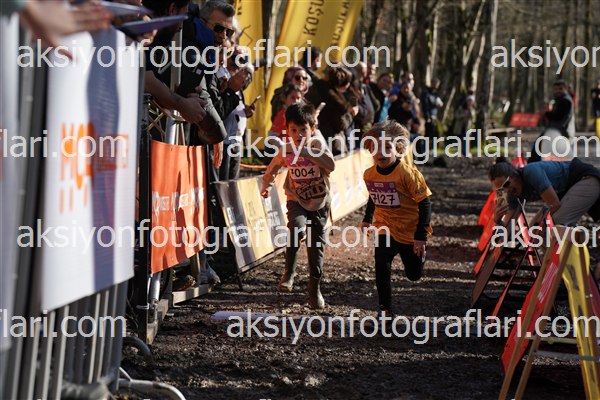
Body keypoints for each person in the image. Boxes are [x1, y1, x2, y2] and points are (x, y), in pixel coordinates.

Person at [260, 103, 335, 309]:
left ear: (312, 129)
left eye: (303, 130)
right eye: (293, 130)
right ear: (287, 130)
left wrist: (309, 153)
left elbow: (331, 166)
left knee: (316, 247)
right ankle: (289, 273)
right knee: (296, 228)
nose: (299, 135)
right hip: (296, 198)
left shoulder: (317, 145)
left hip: (319, 201)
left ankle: (314, 289)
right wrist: (266, 185)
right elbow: (273, 167)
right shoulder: (287, 149)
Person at [360, 120, 433, 316]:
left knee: (414, 275)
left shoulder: (408, 174)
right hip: (384, 226)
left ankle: (420, 257)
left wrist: (421, 236)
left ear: (398, 148)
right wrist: (367, 218)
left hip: (409, 229)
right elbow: (373, 196)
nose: (381, 153)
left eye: (387, 147)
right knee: (381, 266)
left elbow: (425, 204)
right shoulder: (369, 174)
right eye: (375, 147)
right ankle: (385, 310)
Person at [489, 159, 600, 227]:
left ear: (515, 175)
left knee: (556, 224)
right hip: (567, 190)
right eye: (501, 189)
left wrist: (539, 225)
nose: (506, 191)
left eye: (506, 184)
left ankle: (568, 258)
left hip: (585, 178)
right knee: (534, 232)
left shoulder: (531, 172)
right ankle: (556, 258)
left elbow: (554, 204)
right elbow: (508, 230)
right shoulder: (512, 194)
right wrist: (497, 219)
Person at [305, 65, 358, 155]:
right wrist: (351, 114)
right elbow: (341, 124)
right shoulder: (335, 101)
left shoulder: (315, 89)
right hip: (333, 143)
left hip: (317, 140)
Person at [420, 78, 443, 150]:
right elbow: (425, 105)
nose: (436, 86)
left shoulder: (435, 94)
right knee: (427, 135)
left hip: (434, 116)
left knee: (434, 134)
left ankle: (432, 150)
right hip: (428, 117)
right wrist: (427, 117)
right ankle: (424, 151)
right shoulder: (426, 93)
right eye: (435, 84)